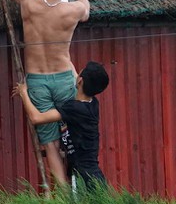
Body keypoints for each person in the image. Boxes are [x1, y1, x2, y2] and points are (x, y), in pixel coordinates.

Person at [8, 0, 90, 189]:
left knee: (50, 144)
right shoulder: (73, 10)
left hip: (37, 81)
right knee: (74, 135)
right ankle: (80, 188)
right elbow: (86, 11)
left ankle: (63, 197)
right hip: (64, 78)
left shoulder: (29, 1)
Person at [14, 61, 110, 191]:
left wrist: (24, 93)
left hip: (82, 177)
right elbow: (73, 70)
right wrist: (64, 59)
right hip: (94, 174)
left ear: (80, 80)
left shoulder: (74, 108)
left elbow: (36, 118)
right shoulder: (93, 103)